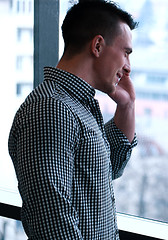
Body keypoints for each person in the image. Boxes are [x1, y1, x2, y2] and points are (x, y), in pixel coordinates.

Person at [8, 1, 138, 239]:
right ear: (98, 45)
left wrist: (127, 106)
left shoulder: (77, 106)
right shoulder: (51, 109)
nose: (128, 67)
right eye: (126, 52)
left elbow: (109, 168)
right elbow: (51, 220)